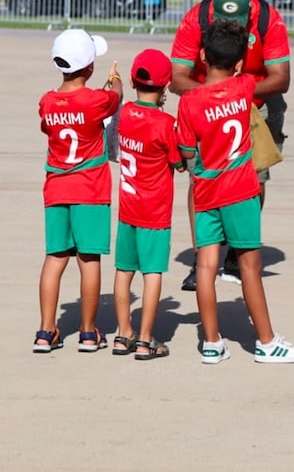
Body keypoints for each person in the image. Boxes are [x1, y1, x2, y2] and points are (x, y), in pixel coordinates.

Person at [176, 20, 294, 364]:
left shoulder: (189, 102)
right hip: (240, 190)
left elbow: (187, 151)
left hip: (206, 190)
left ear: (202, 56)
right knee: (249, 266)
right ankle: (266, 342)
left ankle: (211, 342)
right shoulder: (244, 86)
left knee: (205, 266)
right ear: (238, 64)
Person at [170, 0, 291, 291]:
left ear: (249, 12)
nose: (231, 27)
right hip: (205, 100)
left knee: (255, 178)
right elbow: (177, 77)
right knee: (200, 177)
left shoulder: (268, 19)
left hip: (256, 102)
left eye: (237, 22)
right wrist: (216, 96)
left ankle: (238, 252)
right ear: (213, 13)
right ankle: (202, 257)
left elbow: (281, 78)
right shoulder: (195, 19)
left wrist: (238, 94)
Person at [34, 29, 123, 354]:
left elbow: (47, 125)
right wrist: (114, 80)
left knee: (54, 258)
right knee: (89, 259)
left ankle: (46, 330)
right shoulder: (97, 100)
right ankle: (88, 331)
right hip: (90, 189)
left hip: (57, 187)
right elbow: (116, 97)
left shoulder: (47, 101)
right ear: (89, 67)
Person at [111, 48, 185, 360]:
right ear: (166, 86)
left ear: (132, 80)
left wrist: (113, 83)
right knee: (152, 272)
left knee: (123, 270)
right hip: (154, 212)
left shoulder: (125, 113)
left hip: (127, 208)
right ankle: (144, 338)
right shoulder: (165, 123)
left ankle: (123, 332)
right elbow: (179, 163)